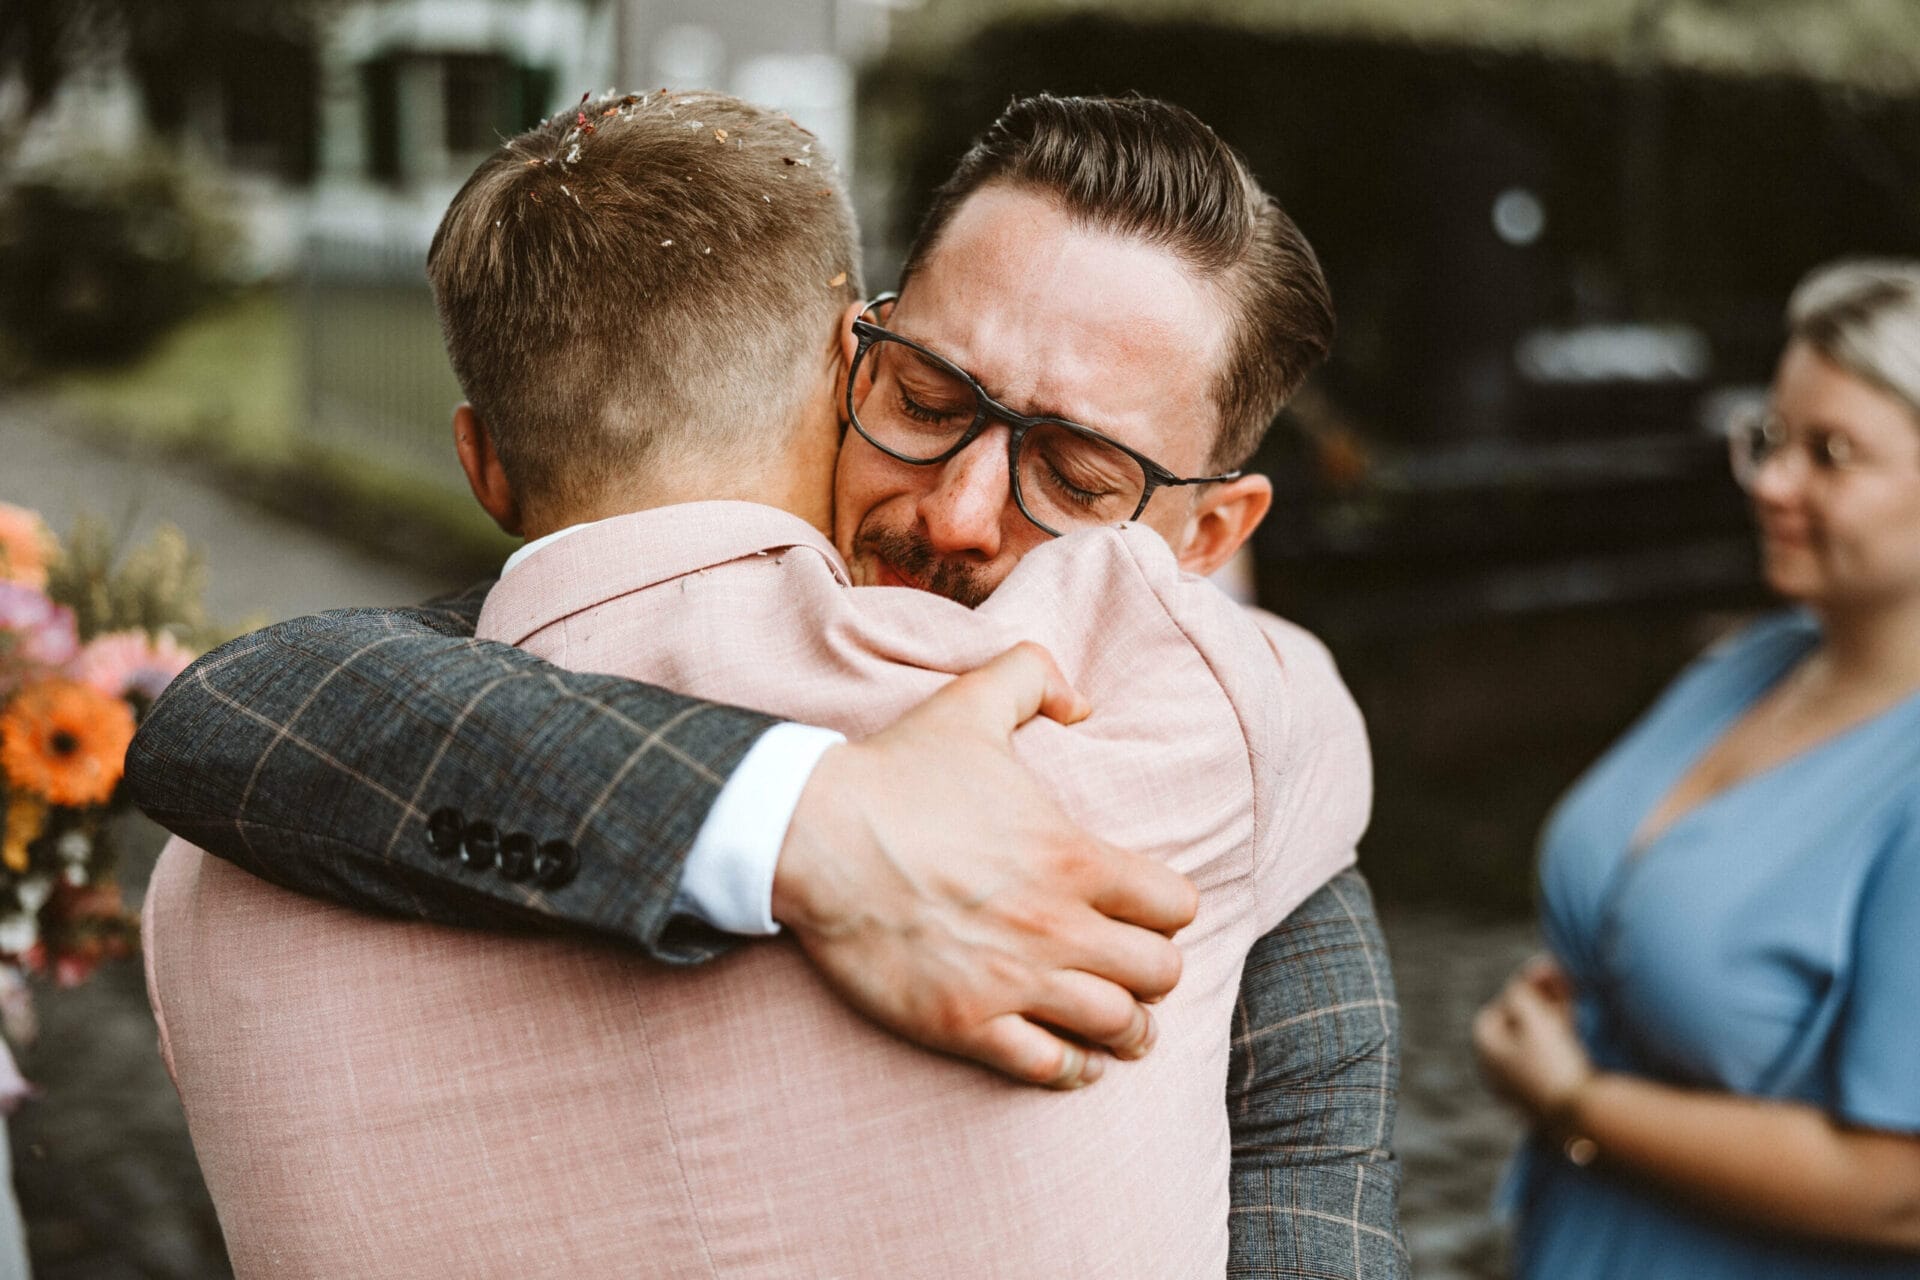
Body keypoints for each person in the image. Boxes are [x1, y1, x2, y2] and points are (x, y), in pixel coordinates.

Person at [133, 93, 1406, 1274]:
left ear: (1206, 537)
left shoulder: (1227, 769)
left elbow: (1314, 1201)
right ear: (849, 355)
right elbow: (238, 711)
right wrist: (807, 818)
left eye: (1077, 478)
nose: (961, 514)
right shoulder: (454, 680)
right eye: (925, 396)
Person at [1473, 259, 1920, 1277]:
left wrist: (1578, 1102)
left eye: (1831, 453)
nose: (1771, 481)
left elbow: (1902, 1188)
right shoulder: (1748, 661)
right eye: (1768, 436)